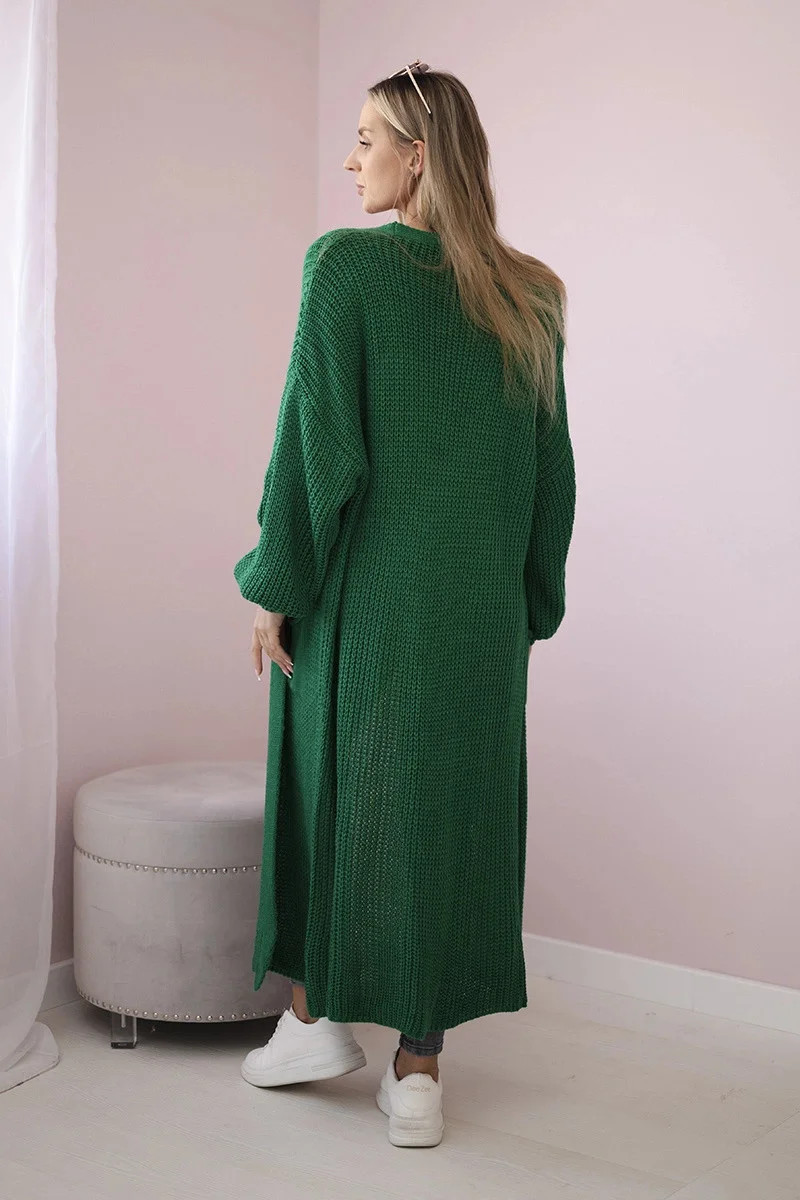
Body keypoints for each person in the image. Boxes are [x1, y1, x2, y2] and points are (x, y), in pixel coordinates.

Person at [233, 60, 576, 1149]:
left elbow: (314, 449)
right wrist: (527, 607)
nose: (351, 161)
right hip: (478, 618)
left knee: (329, 791)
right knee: (447, 817)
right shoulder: (533, 293)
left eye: (367, 140)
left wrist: (273, 586)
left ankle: (312, 1020)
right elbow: (551, 475)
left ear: (416, 156)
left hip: (365, 606)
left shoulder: (344, 268)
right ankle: (417, 1073)